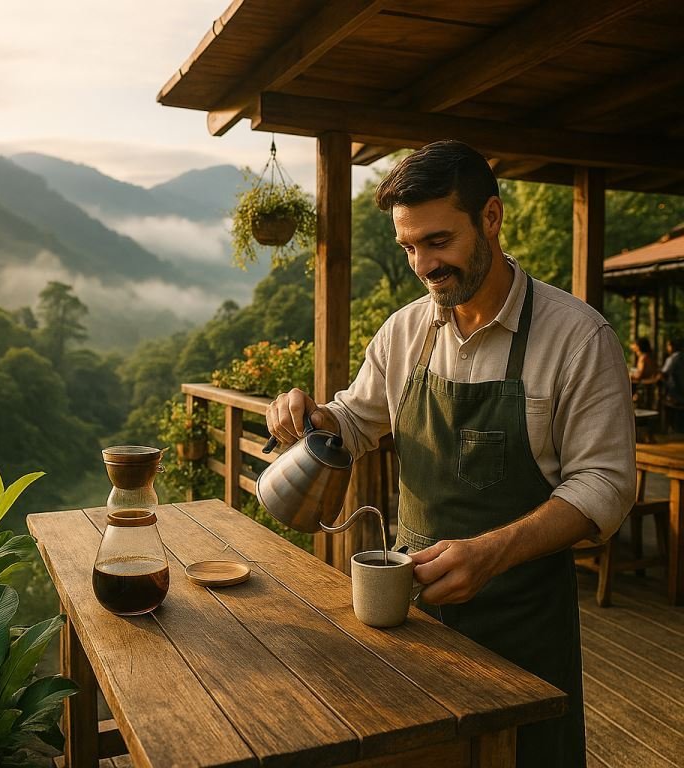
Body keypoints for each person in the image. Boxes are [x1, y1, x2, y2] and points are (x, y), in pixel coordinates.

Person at [265, 141, 635, 768]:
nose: (423, 265)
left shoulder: (576, 336)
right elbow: (356, 419)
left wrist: (493, 552)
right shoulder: (407, 329)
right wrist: (314, 416)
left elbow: (605, 485)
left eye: (438, 242)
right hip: (415, 622)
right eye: (409, 247)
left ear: (490, 217)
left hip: (524, 627)